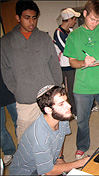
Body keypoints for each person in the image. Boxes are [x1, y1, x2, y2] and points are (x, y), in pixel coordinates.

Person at [63, 0, 99, 160]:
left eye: (98, 20)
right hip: (82, 87)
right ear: (85, 14)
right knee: (81, 120)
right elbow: (72, 61)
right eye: (92, 19)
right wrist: (83, 63)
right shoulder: (74, 36)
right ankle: (82, 146)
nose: (95, 23)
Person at [1, 0, 62, 142]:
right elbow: (6, 71)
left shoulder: (44, 38)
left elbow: (54, 65)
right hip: (25, 99)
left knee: (54, 132)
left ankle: (57, 160)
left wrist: (55, 89)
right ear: (18, 18)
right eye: (27, 17)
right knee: (25, 138)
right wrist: (17, 90)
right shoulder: (6, 42)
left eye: (34, 18)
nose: (31, 22)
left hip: (48, 96)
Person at [9, 85, 90, 175]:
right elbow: (48, 171)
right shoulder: (39, 136)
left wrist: (59, 158)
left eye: (66, 100)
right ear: (48, 110)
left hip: (45, 166)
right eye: (61, 104)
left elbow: (60, 138)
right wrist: (81, 162)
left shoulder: (61, 117)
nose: (69, 106)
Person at [53, 8, 81, 116]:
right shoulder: (59, 33)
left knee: (78, 89)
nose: (75, 22)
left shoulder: (71, 32)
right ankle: (75, 112)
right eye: (74, 19)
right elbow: (67, 51)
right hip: (66, 68)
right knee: (71, 91)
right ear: (69, 19)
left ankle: (80, 108)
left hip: (75, 65)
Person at [0, 57, 18, 167]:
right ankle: (8, 151)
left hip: (11, 93)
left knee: (19, 123)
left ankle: (24, 150)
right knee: (0, 128)